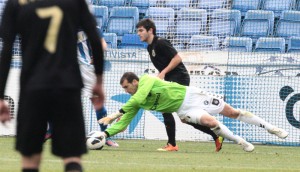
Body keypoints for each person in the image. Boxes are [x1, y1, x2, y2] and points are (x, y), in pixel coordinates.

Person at [0, 0, 105, 172]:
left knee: (30, 160)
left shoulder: (16, 3)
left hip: (32, 88)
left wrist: (1, 95)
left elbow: (7, 50)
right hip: (68, 86)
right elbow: (95, 38)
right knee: (72, 158)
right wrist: (99, 81)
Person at [99, 72, 289, 152]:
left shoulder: (147, 79)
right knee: (211, 123)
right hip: (183, 109)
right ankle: (242, 142)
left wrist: (115, 114)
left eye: (126, 87)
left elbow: (138, 98)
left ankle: (272, 128)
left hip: (193, 96)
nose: (126, 91)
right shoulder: (134, 102)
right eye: (124, 89)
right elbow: (124, 123)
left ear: (134, 82)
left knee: (232, 112)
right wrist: (104, 133)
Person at [136, 18, 223, 152]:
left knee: (167, 109)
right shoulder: (150, 47)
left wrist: (163, 73)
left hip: (179, 78)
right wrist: (161, 75)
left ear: (150, 30)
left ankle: (172, 144)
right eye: (138, 31)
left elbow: (177, 58)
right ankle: (215, 135)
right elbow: (163, 65)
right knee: (185, 118)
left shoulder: (160, 43)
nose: (138, 33)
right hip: (171, 79)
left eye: (141, 30)